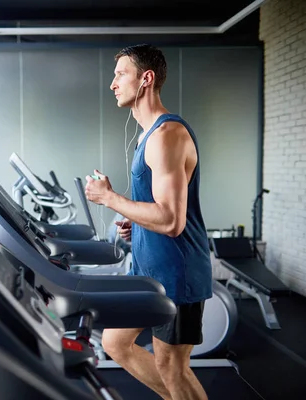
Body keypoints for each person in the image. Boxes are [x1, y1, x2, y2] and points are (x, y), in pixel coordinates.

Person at [84, 44, 212, 400]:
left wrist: (111, 199)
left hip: (176, 272)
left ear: (146, 79)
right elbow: (156, 207)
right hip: (148, 269)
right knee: (115, 341)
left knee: (173, 366)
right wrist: (132, 219)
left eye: (121, 74)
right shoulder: (147, 135)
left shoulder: (167, 135)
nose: (113, 83)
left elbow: (171, 220)